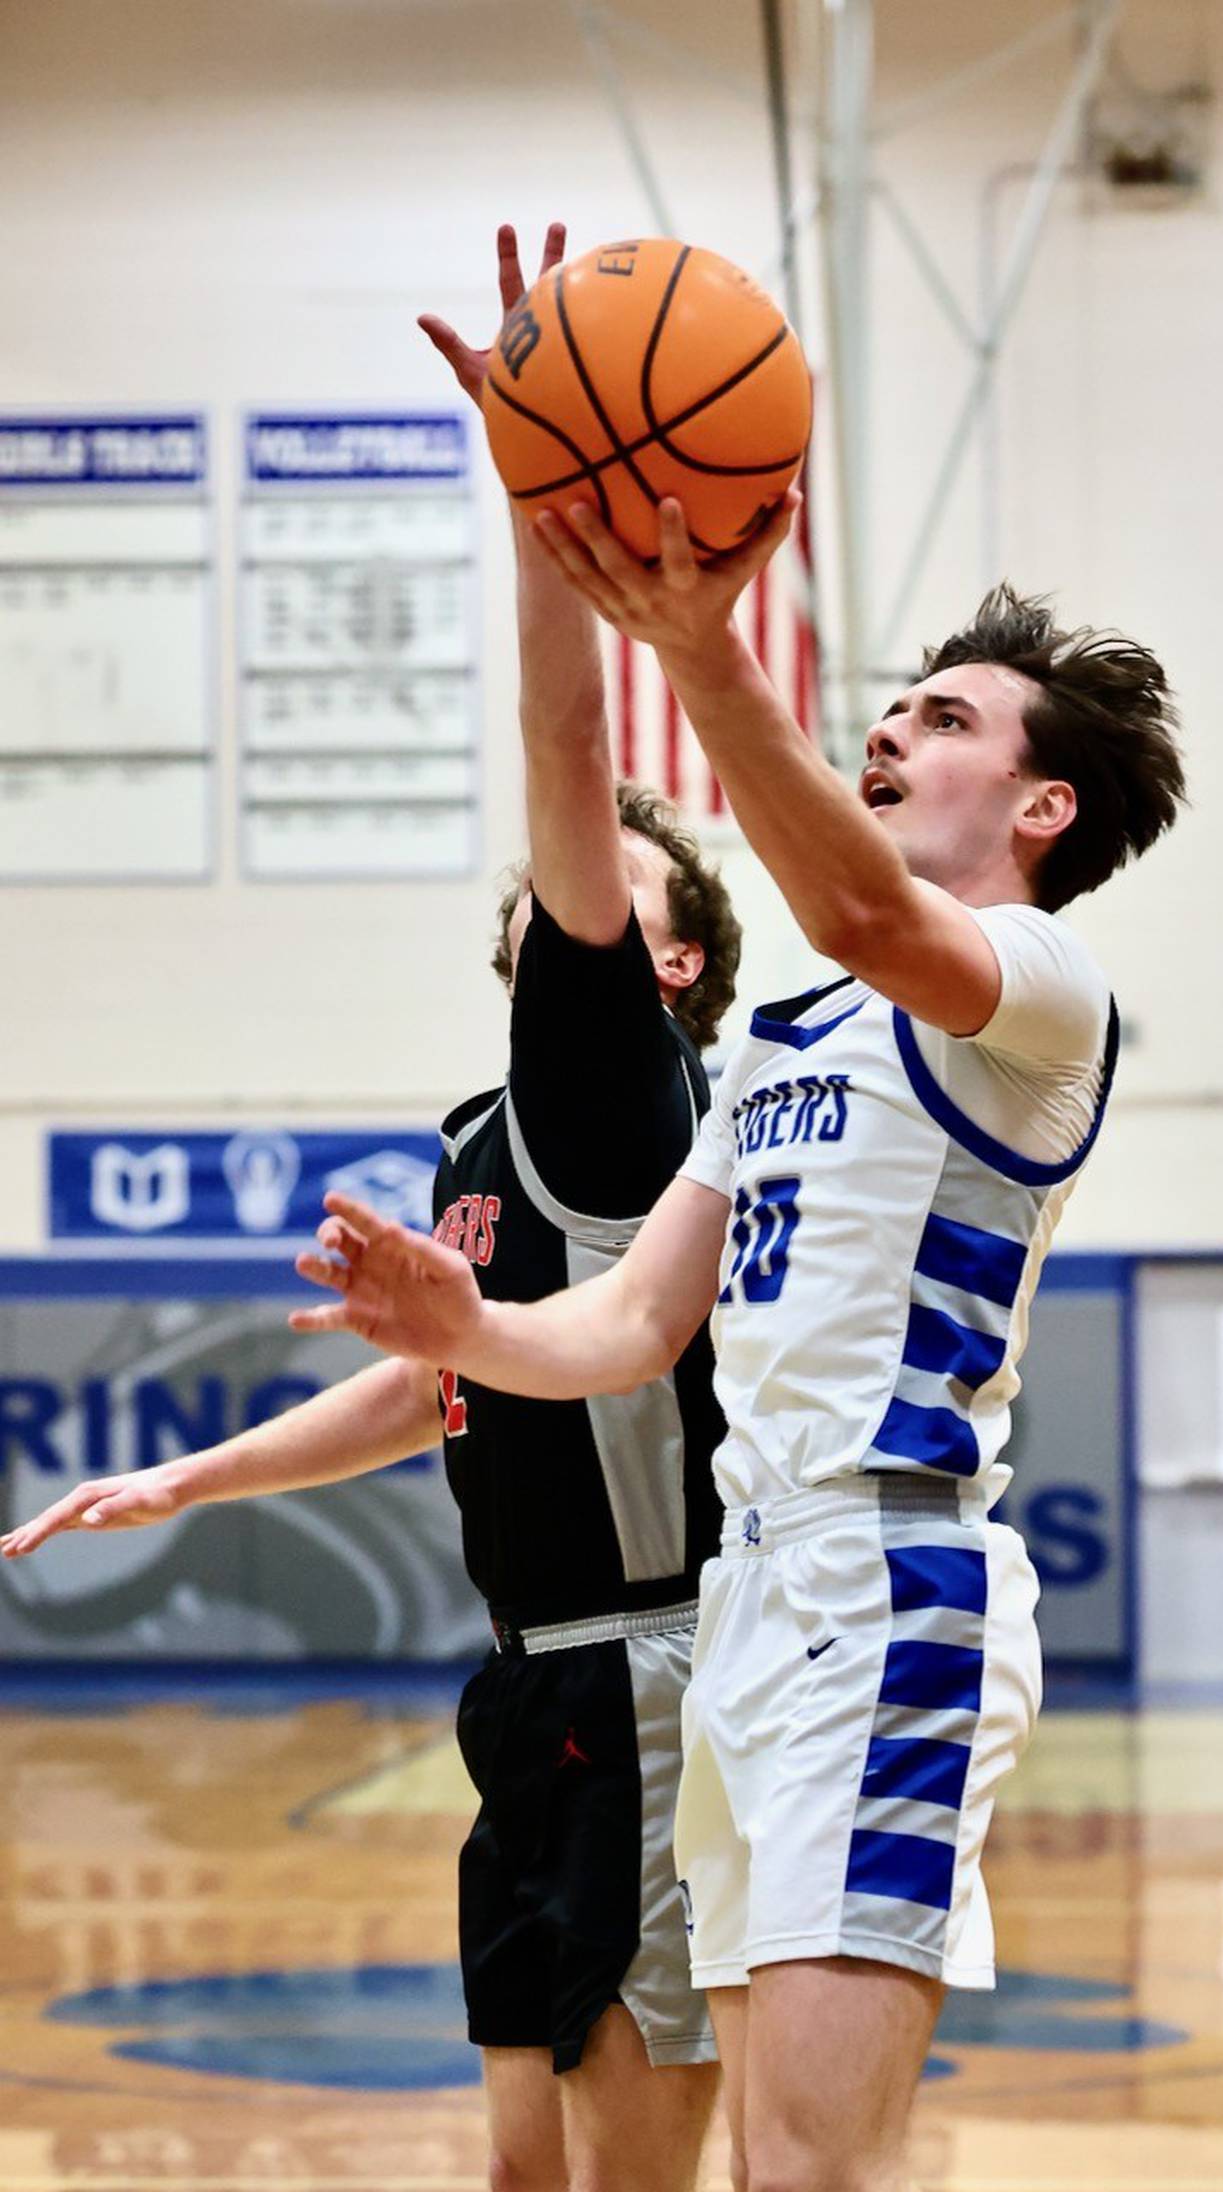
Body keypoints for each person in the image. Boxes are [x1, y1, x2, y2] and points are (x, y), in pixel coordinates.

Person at [258, 500, 1186, 2192]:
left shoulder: (1046, 990)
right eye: (900, 703)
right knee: (766, 2172)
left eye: (947, 716)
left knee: (819, 2171)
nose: (896, 725)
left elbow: (862, 913)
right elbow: (627, 1323)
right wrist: (469, 1324)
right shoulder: (778, 1037)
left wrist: (696, 641)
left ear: (1042, 808)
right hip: (748, 1607)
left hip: (892, 1585)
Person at [2, 233, 742, 2192]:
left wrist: (535, 497)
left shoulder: (625, 1102)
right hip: (530, 1683)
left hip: (644, 1662)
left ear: (663, 968)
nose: (568, 897)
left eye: (610, 903)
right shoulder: (490, 1136)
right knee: (518, 2170)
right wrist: (191, 1479)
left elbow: (573, 757)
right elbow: (445, 1389)